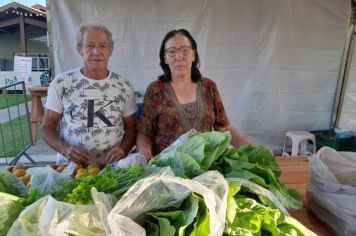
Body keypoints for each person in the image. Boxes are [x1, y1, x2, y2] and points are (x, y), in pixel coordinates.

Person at [137, 29, 249, 159]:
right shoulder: (155, 90)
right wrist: (145, 152)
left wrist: (251, 150)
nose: (179, 56)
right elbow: (145, 133)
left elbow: (224, 127)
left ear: (193, 55)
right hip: (166, 168)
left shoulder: (208, 87)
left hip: (204, 166)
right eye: (172, 51)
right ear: (165, 58)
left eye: (185, 50)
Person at [41, 23, 137, 165]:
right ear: (80, 49)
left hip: (112, 167)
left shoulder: (124, 86)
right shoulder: (62, 83)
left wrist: (123, 149)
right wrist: (66, 149)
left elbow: (132, 128)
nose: (96, 51)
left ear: (110, 50)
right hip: (72, 167)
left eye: (103, 45)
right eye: (89, 45)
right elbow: (47, 127)